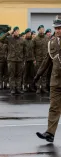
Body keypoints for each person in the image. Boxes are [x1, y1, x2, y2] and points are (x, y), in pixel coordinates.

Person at [35, 15, 61, 143]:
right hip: (56, 80)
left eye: (60, 28)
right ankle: (50, 133)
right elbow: (47, 60)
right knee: (54, 107)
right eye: (56, 28)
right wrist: (38, 75)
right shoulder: (51, 42)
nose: (57, 30)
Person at [0, 26, 26, 95]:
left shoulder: (22, 40)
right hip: (11, 59)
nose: (17, 32)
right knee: (12, 75)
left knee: (19, 75)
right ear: (13, 32)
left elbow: (24, 50)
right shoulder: (9, 39)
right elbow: (1, 39)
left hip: (20, 60)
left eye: (18, 31)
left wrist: (24, 59)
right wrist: (8, 33)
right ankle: (13, 89)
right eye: (16, 31)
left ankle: (18, 88)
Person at [32, 25, 49, 94]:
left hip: (45, 59)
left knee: (44, 74)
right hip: (38, 59)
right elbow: (32, 50)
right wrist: (34, 59)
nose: (42, 30)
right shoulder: (35, 39)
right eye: (41, 29)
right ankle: (38, 88)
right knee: (38, 74)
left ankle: (44, 88)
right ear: (38, 30)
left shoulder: (47, 38)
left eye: (43, 29)